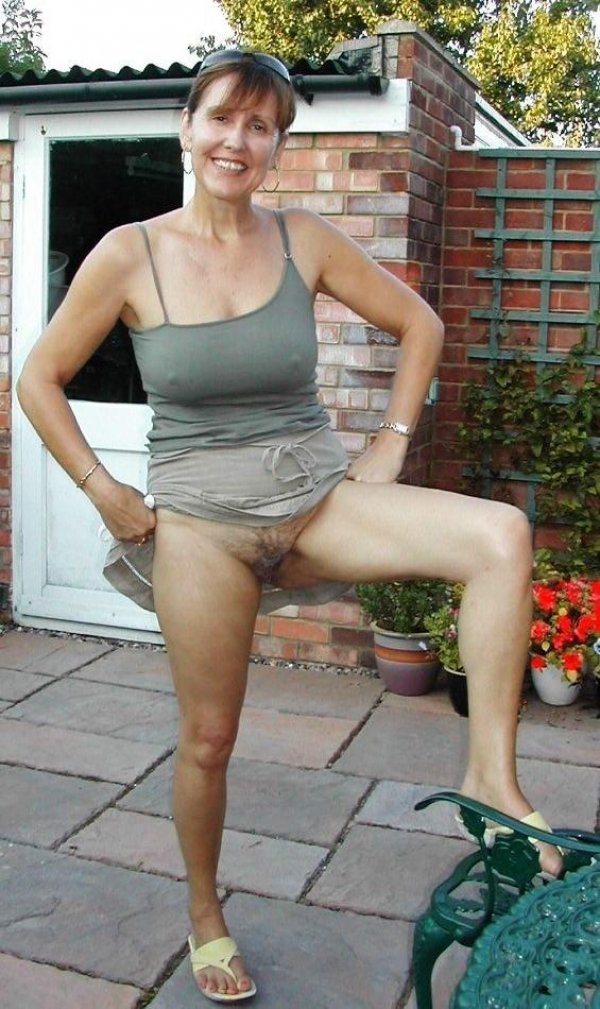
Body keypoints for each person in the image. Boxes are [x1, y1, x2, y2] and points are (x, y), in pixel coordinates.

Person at [17, 48, 562, 1005]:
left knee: (500, 538)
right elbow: (37, 379)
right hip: (202, 527)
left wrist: (390, 442)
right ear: (188, 127)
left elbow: (421, 325)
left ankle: (489, 777)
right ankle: (205, 915)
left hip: (316, 499)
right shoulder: (129, 253)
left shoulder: (302, 238)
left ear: (277, 146)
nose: (238, 140)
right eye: (223, 117)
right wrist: (102, 488)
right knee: (209, 738)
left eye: (260, 125)